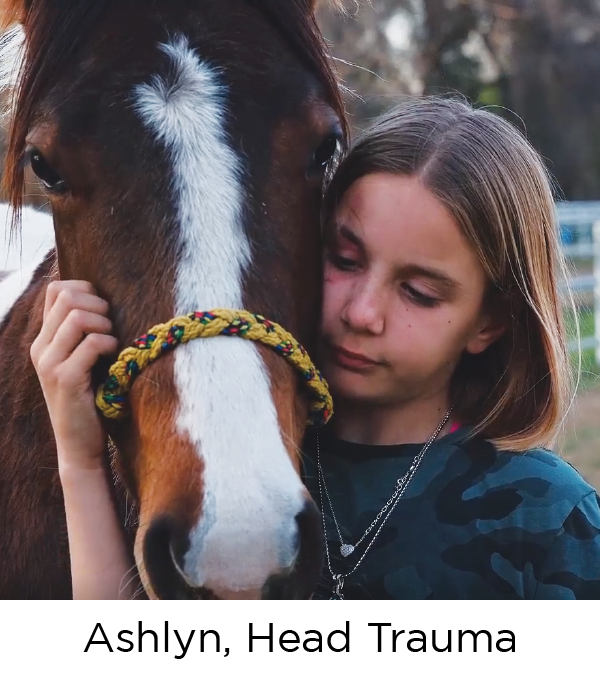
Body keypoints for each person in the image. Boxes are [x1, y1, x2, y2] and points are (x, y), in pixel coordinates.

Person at [30, 96, 600, 600]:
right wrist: (79, 462)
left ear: (489, 323)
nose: (361, 312)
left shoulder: (549, 519)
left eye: (419, 293)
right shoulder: (233, 469)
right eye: (344, 260)